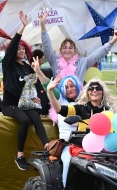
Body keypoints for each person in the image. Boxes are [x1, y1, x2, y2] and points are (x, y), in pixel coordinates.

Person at [46, 77, 117, 187]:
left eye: (98, 88)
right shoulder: (80, 108)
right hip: (80, 146)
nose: (94, 90)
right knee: (68, 161)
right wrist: (50, 91)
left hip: (105, 148)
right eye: (91, 88)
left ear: (103, 92)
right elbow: (59, 109)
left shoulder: (110, 110)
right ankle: (65, 186)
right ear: (87, 93)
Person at [1, 11, 49, 170]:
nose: (20, 50)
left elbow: (36, 87)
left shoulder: (28, 67)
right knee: (26, 120)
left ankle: (48, 148)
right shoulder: (8, 64)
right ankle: (19, 155)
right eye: (18, 48)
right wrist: (22, 27)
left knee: (36, 117)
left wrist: (37, 98)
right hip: (11, 105)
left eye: (23, 48)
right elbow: (13, 45)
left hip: (26, 103)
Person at [31, 57, 83, 187]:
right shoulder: (61, 100)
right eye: (66, 87)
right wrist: (38, 70)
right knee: (68, 161)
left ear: (77, 86)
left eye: (72, 86)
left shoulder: (84, 103)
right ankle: (65, 186)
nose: (70, 89)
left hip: (87, 144)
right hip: (68, 145)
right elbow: (47, 84)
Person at [39, 11, 117, 83]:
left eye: (70, 48)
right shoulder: (54, 60)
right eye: (64, 47)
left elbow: (98, 54)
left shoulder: (83, 62)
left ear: (75, 51)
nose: (67, 50)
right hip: (58, 99)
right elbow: (47, 47)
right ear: (60, 50)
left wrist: (112, 41)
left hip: (78, 99)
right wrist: (43, 26)